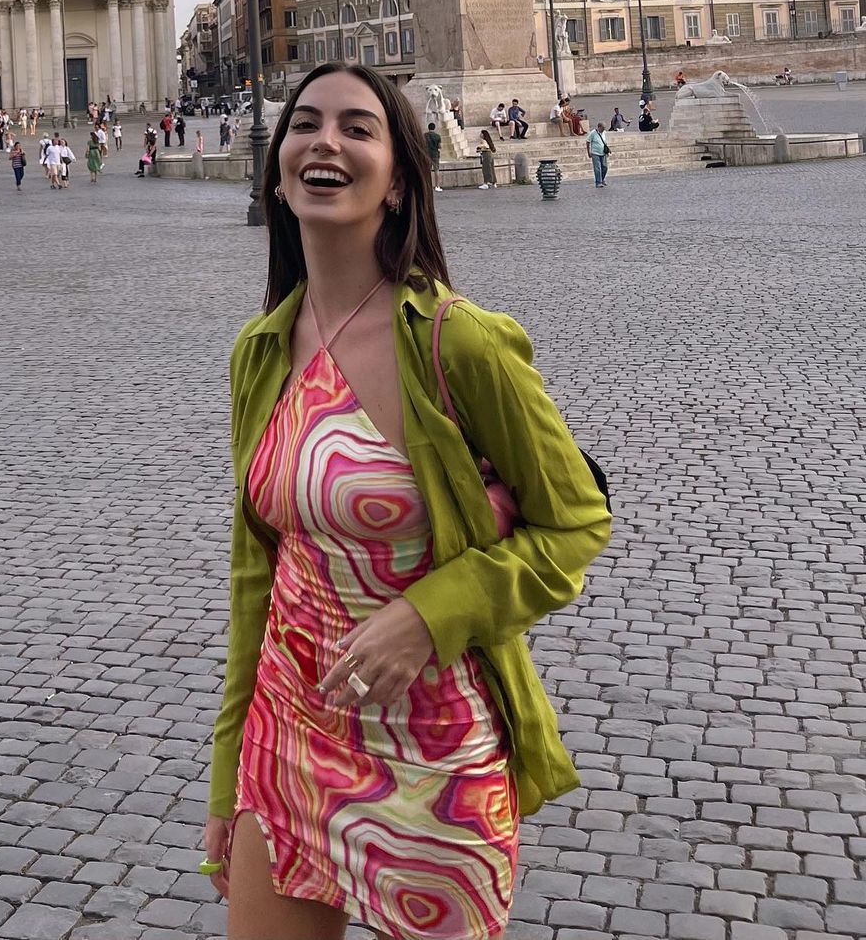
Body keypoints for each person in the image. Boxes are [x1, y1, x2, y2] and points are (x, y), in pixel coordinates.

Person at [203, 62, 612, 940]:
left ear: (396, 182)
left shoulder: (459, 342)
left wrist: (430, 615)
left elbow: (576, 521)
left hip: (435, 760)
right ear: (279, 169)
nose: (326, 140)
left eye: (358, 127)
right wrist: (227, 774)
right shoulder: (259, 350)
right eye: (305, 123)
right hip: (287, 737)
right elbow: (254, 580)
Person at [587, 123, 610, 188]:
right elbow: (588, 142)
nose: (603, 130)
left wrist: (607, 151)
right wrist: (589, 152)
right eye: (602, 128)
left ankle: (602, 179)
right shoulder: (593, 133)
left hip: (603, 153)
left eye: (604, 128)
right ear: (599, 127)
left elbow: (604, 142)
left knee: (605, 167)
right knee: (597, 168)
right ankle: (598, 182)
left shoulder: (604, 133)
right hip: (595, 153)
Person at [425, 121, 443, 192]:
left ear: (428, 128)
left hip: (427, 154)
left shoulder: (424, 135)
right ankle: (437, 186)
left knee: (427, 171)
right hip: (435, 154)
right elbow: (440, 146)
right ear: (434, 128)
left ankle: (427, 186)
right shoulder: (437, 136)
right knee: (436, 170)